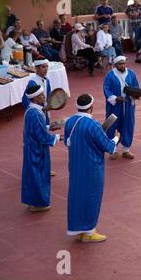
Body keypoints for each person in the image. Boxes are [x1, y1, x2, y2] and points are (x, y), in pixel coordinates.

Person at [65, 94, 120, 243]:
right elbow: (108, 146)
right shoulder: (92, 125)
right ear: (91, 107)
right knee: (91, 197)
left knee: (77, 197)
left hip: (76, 167)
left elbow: (67, 142)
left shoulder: (70, 122)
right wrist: (116, 138)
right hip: (92, 168)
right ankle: (89, 231)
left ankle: (79, 230)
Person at [21, 84, 61, 212]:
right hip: (36, 150)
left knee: (32, 175)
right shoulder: (35, 113)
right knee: (39, 175)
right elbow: (42, 136)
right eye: (41, 95)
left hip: (31, 147)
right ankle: (39, 203)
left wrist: (49, 127)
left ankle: (32, 201)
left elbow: (36, 129)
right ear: (35, 98)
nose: (44, 96)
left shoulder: (32, 109)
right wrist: (57, 137)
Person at [103, 56, 141, 160]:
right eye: (120, 64)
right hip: (114, 106)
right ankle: (113, 150)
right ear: (115, 65)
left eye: (124, 63)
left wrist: (136, 95)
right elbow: (106, 90)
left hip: (128, 105)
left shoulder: (131, 73)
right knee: (111, 126)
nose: (122, 65)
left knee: (128, 125)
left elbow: (136, 86)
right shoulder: (110, 75)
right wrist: (116, 98)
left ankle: (126, 150)